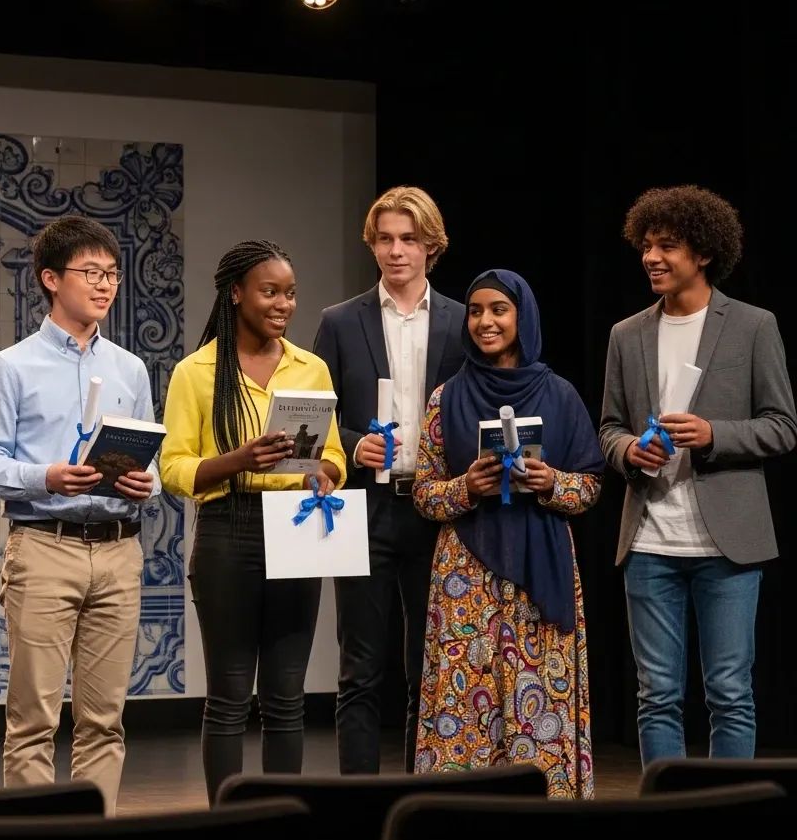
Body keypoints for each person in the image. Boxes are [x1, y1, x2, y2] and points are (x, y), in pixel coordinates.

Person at [599, 184, 797, 766]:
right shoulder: (626, 333)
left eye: (668, 247)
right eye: (646, 246)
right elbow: (608, 427)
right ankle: (664, 822)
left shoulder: (754, 326)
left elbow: (783, 426)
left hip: (727, 545)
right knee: (656, 696)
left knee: (730, 694)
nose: (652, 258)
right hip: (650, 541)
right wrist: (629, 450)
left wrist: (715, 435)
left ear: (704, 253)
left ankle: (730, 821)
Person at [0, 216, 160, 815]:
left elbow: (150, 464)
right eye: (90, 273)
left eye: (112, 275)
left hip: (118, 546)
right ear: (51, 280)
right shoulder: (12, 366)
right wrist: (44, 475)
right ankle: (32, 838)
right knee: (33, 719)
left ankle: (92, 835)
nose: (104, 286)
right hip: (44, 543)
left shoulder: (131, 369)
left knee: (105, 720)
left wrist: (142, 483)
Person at [161, 240, 346, 804]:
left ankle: (278, 819)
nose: (283, 304)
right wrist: (239, 459)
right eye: (270, 292)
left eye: (290, 293)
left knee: (287, 694)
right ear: (236, 293)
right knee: (230, 695)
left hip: (295, 523)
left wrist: (326, 475)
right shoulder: (196, 372)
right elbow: (173, 468)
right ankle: (226, 819)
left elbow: (333, 454)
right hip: (228, 529)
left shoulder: (310, 368)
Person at [413, 269, 604, 798]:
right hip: (465, 576)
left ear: (522, 316)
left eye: (498, 309)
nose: (484, 321)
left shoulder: (560, 395)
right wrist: (465, 487)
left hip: (539, 567)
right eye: (475, 311)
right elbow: (424, 493)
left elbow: (589, 487)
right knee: (462, 699)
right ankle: (454, 821)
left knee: (537, 697)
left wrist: (551, 482)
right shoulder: (444, 398)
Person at [313, 185, 464, 774]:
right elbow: (319, 415)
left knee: (430, 662)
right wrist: (353, 444)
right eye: (385, 239)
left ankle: (421, 793)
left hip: (435, 507)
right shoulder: (340, 321)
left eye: (409, 239)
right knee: (359, 666)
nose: (396, 251)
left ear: (431, 245)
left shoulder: (459, 318)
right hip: (365, 506)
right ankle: (358, 803)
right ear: (372, 245)